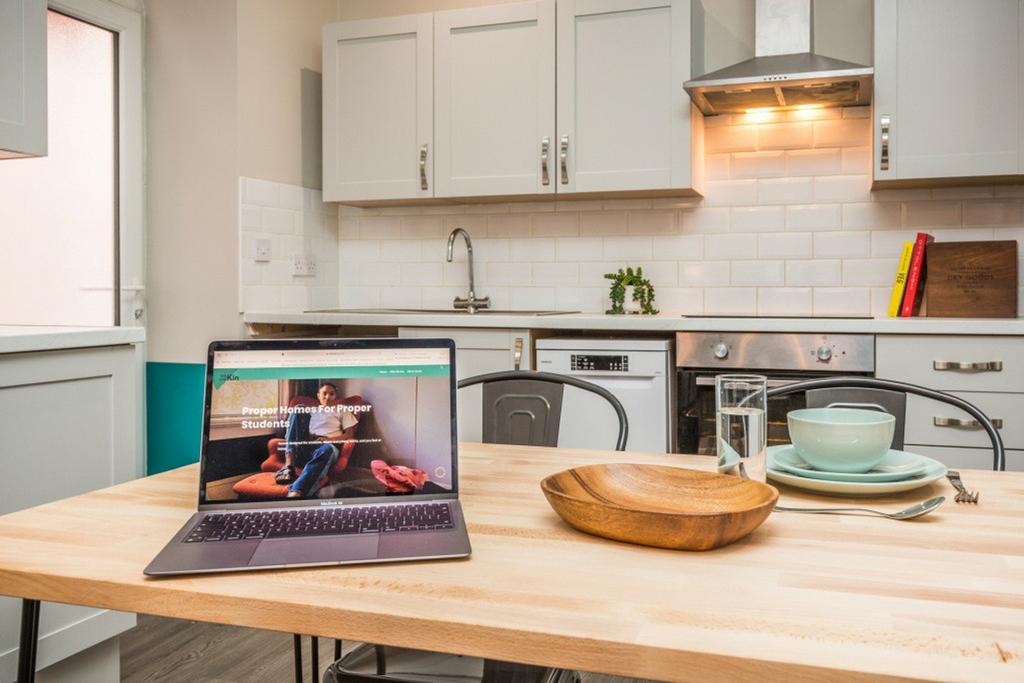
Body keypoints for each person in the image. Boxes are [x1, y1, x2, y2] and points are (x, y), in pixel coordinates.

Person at [274, 382, 358, 498]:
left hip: (327, 447)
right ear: (318, 395)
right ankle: (289, 466)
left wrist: (328, 439)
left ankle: (297, 491)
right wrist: (310, 435)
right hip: (307, 444)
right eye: (324, 393)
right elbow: (296, 430)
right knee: (299, 408)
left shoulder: (341, 409)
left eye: (331, 394)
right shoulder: (311, 411)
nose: (327, 397)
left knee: (327, 449)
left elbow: (349, 434)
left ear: (335, 396)